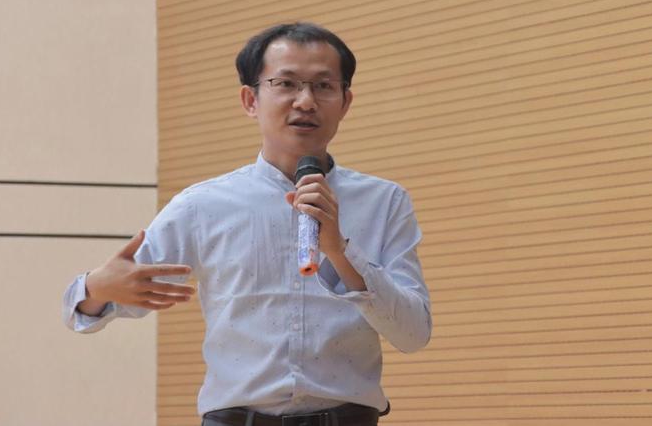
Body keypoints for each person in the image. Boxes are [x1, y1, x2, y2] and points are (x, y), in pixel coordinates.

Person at [62, 22, 432, 426]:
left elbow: (414, 333)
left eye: (324, 86)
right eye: (286, 83)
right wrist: (94, 289)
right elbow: (84, 310)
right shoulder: (203, 206)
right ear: (250, 100)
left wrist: (340, 252)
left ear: (345, 102)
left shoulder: (385, 202)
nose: (305, 101)